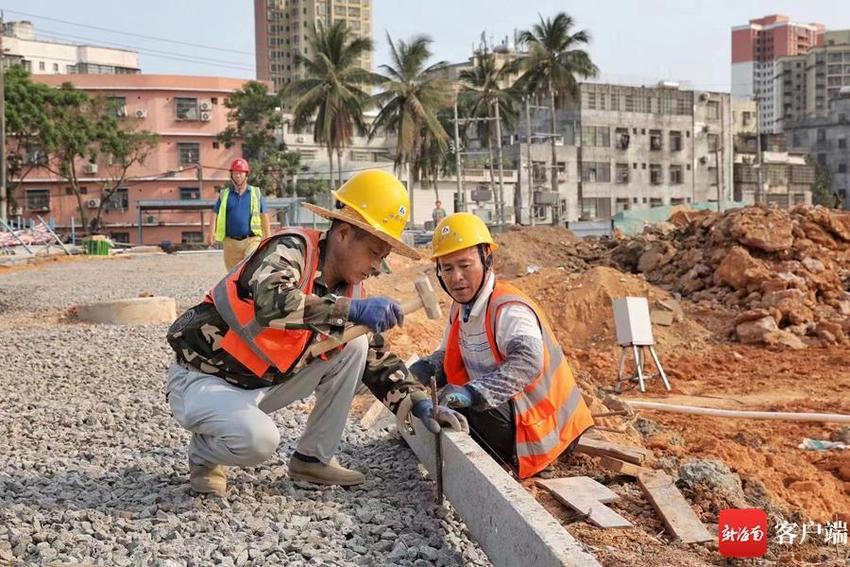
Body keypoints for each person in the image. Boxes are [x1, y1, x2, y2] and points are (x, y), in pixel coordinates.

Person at [166, 169, 467, 496]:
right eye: (374, 254)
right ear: (344, 235)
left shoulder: (352, 290)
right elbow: (273, 303)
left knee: (356, 347)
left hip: (261, 381)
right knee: (260, 441)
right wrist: (349, 311)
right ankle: (204, 454)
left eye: (383, 258)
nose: (377, 267)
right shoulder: (291, 249)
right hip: (208, 378)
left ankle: (312, 459)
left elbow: (377, 359)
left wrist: (420, 405)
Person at [410, 212, 594, 479]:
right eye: (447, 268)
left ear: (487, 260)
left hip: (546, 430)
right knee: (442, 397)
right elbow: (447, 355)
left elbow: (528, 361)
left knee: (467, 404)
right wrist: (423, 370)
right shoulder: (460, 307)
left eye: (465, 265)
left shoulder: (508, 308)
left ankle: (503, 459)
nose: (456, 277)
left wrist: (473, 393)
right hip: (516, 415)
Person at [209, 158, 271, 270]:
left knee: (250, 264)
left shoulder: (255, 193)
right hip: (230, 243)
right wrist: (211, 233)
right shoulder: (224, 194)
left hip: (251, 240)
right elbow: (215, 214)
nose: (238, 176)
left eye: (241, 173)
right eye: (235, 173)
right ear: (231, 175)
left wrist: (268, 238)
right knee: (233, 274)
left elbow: (264, 215)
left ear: (246, 175)